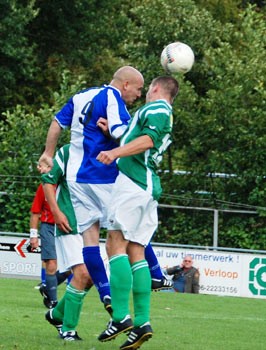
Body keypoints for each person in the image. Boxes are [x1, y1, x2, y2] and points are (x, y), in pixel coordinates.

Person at [37, 66, 144, 310]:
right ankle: (155, 278)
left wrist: (48, 153)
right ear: (125, 84)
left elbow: (56, 123)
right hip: (103, 176)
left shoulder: (80, 97)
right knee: (130, 233)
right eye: (138, 89)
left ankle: (105, 294)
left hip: (77, 180)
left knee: (90, 241)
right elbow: (124, 134)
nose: (138, 95)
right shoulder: (113, 98)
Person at [97, 75, 179, 350]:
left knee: (114, 244)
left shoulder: (158, 108)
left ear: (156, 88)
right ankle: (142, 322)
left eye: (147, 88)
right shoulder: (161, 112)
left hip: (133, 183)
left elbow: (147, 139)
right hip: (146, 186)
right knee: (136, 250)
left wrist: (116, 152)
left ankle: (120, 317)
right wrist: (114, 131)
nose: (144, 92)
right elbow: (137, 133)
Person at [42, 144, 110, 341]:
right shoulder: (68, 151)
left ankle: (56, 315)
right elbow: (48, 179)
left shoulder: (103, 153)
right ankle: (68, 330)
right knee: (83, 273)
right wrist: (55, 212)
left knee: (89, 277)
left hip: (91, 226)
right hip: (68, 222)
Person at [30, 184, 70, 308]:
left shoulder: (71, 183)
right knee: (51, 263)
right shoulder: (44, 186)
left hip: (68, 228)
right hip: (48, 227)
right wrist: (33, 235)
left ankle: (47, 287)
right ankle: (53, 301)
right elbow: (35, 212)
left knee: (74, 266)